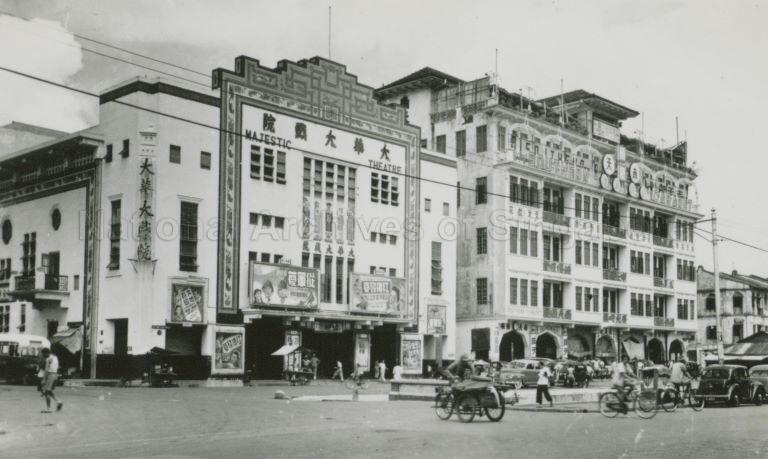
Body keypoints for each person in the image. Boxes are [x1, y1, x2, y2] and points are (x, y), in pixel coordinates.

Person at [40, 348, 62, 413]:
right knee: (49, 391)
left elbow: (46, 370)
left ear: (46, 353)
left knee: (46, 392)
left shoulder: (48, 359)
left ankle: (48, 409)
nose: (43, 356)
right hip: (55, 375)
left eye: (43, 354)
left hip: (50, 375)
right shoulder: (55, 357)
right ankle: (58, 401)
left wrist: (44, 379)